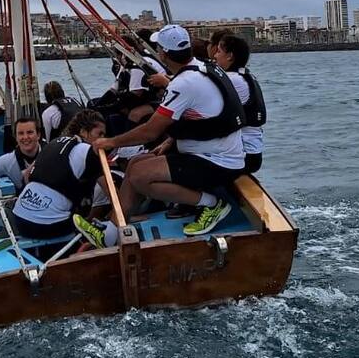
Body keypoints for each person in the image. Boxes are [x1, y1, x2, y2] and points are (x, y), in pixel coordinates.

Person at [91, 23, 246, 237]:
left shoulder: (183, 83)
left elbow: (149, 131)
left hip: (216, 161)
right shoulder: (201, 69)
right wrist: (169, 141)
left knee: (138, 176)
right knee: (136, 163)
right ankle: (112, 230)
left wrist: (110, 142)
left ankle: (212, 205)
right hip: (217, 153)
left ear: (163, 54)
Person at [11, 109, 109, 243]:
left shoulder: (54, 143)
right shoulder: (87, 151)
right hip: (47, 226)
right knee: (82, 220)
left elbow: (28, 174)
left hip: (19, 218)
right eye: (100, 134)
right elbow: (108, 188)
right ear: (84, 132)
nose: (103, 140)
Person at [209, 31, 266, 174]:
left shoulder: (232, 79)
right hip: (252, 152)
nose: (215, 55)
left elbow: (202, 101)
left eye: (219, 51)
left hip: (243, 154)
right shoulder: (244, 75)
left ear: (230, 56)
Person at [0, 116, 43, 192]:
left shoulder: (52, 155)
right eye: (21, 133)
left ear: (38, 135)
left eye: (30, 132)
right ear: (16, 137)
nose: (25, 137)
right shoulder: (7, 161)